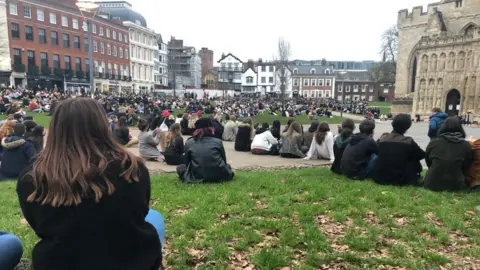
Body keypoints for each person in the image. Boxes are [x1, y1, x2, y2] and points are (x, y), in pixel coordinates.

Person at [16, 98, 165, 270]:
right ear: (102, 126)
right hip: (133, 260)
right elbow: (141, 209)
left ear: (57, 129)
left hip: (59, 262)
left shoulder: (31, 177)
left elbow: (38, 226)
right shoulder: (132, 167)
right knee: (155, 217)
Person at [177, 118, 234, 183]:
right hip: (219, 175)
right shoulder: (218, 142)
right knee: (228, 166)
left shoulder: (189, 143)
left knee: (180, 168)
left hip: (197, 175)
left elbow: (187, 163)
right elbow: (224, 160)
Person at [374, 114, 425, 186]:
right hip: (401, 180)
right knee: (414, 158)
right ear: (408, 127)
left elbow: (376, 151)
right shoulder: (408, 141)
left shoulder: (382, 139)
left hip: (380, 178)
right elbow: (422, 155)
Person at [424, 116, 473, 191]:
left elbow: (428, 160)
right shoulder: (466, 145)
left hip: (432, 183)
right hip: (456, 184)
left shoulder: (434, 142)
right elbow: (467, 164)